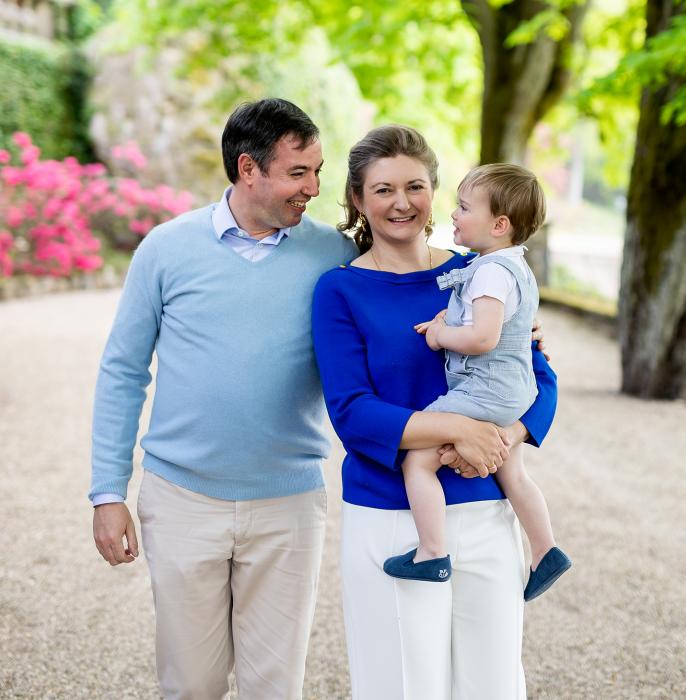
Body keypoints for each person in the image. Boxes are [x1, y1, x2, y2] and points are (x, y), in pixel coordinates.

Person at [90, 98, 357, 699]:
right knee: (192, 685)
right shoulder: (165, 248)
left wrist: (500, 308)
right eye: (299, 172)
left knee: (276, 686)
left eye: (317, 170)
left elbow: (402, 307)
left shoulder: (334, 257)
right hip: (181, 500)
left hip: (289, 506)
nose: (314, 187)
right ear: (247, 169)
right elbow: (123, 370)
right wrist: (108, 492)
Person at [312, 125, 558, 699]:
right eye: (383, 189)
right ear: (356, 199)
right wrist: (462, 430)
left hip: (487, 511)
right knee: (403, 688)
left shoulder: (485, 275)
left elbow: (538, 378)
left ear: (436, 192)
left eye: (415, 186)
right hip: (392, 515)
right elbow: (353, 412)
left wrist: (505, 438)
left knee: (493, 687)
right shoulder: (339, 291)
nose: (402, 203)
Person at [383, 163, 571, 601]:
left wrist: (439, 335)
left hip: (486, 388)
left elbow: (483, 337)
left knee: (418, 461)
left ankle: (432, 551)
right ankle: (545, 550)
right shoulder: (511, 266)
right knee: (514, 474)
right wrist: (449, 318)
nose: (454, 214)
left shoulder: (489, 272)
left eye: (465, 208)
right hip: (513, 389)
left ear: (499, 224)